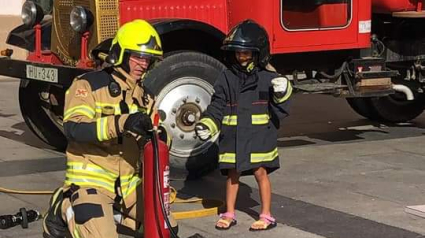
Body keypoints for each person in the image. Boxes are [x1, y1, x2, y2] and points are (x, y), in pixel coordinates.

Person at [42, 19, 176, 238]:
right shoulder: (88, 85)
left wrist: (161, 136)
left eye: (148, 59)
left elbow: (157, 137)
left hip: (128, 186)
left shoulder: (146, 96)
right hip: (91, 183)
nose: (144, 64)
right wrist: (122, 123)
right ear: (120, 54)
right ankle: (63, 207)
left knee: (164, 227)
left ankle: (110, 216)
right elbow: (74, 129)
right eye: (138, 57)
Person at [195, 19, 292, 231]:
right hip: (233, 136)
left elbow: (281, 111)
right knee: (232, 174)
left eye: (246, 52)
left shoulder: (268, 78)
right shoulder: (227, 77)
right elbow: (218, 104)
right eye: (238, 52)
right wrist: (209, 123)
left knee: (260, 173)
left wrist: (283, 92)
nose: (241, 57)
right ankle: (229, 212)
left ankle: (266, 214)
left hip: (259, 137)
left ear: (259, 53)